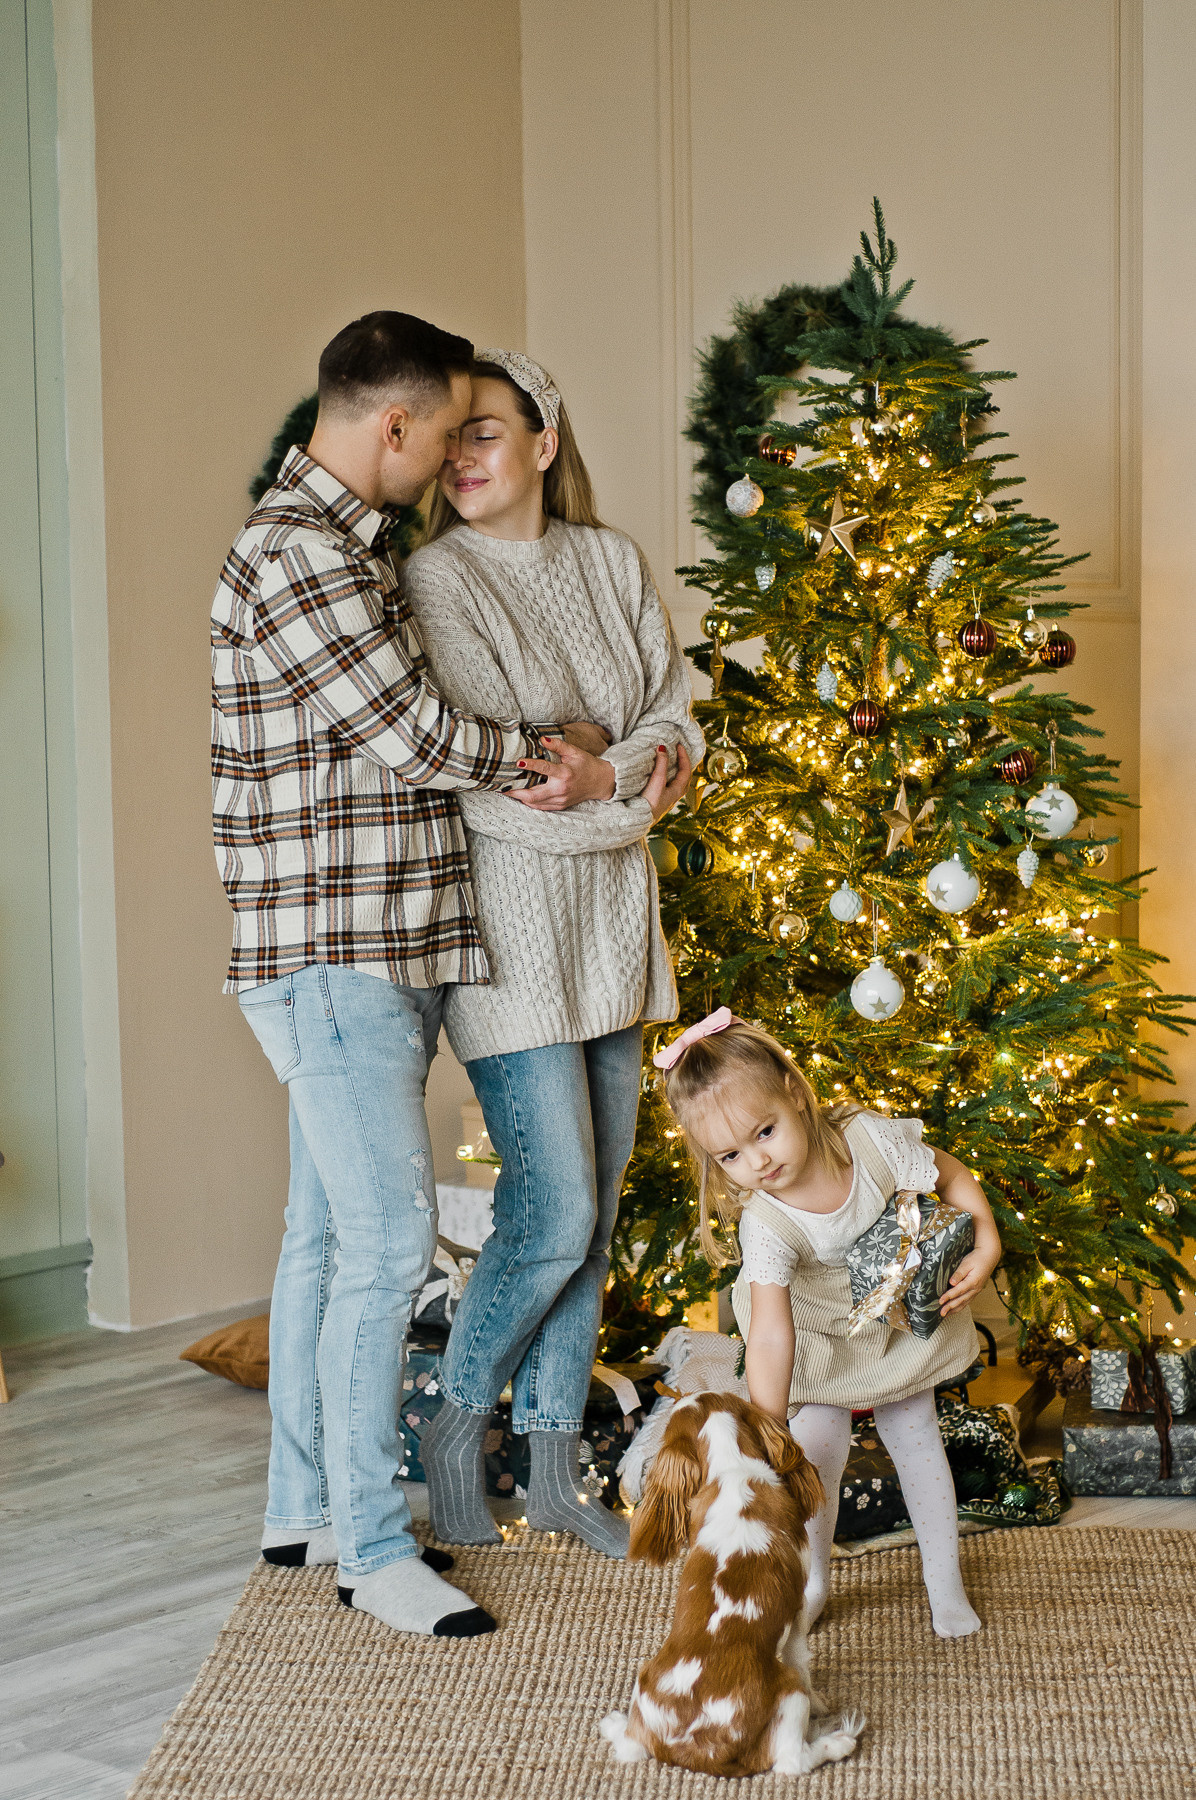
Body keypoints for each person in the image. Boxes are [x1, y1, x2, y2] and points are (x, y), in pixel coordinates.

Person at [211, 313, 617, 1640]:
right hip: (340, 959)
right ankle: (375, 1552)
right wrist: (548, 750)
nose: (449, 458)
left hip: (367, 952)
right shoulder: (301, 553)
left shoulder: (345, 546)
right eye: (442, 432)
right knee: (385, 1247)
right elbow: (411, 733)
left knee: (328, 1239)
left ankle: (303, 1508)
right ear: (392, 424)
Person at [403, 349, 702, 1557]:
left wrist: (597, 765)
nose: (459, 455)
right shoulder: (437, 578)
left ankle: (552, 1467)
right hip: (509, 938)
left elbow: (673, 724)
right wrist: (617, 792)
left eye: (483, 430)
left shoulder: (610, 561)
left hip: (614, 933)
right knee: (555, 1209)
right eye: (448, 436)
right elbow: (491, 776)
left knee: (596, 1215)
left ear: (542, 440)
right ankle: (451, 1429)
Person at [655, 1009, 1002, 1638]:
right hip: (814, 1335)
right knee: (814, 1452)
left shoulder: (867, 1141)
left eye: (765, 1132)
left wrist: (986, 1242)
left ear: (794, 1092)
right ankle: (813, 1582)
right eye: (731, 1154)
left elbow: (950, 1173)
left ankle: (943, 1582)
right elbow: (771, 1333)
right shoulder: (766, 1223)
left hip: (891, 1315)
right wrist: (768, 1427)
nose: (758, 1161)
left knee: (917, 1436)